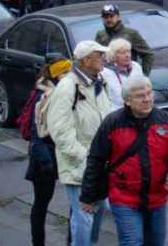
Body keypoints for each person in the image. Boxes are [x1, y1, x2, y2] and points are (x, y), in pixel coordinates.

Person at [80, 75, 168, 246]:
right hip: (124, 198)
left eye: (149, 94)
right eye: (141, 96)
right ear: (127, 101)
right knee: (132, 242)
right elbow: (96, 160)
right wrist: (89, 196)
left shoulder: (166, 121)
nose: (147, 99)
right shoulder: (112, 123)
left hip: (157, 198)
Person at [46, 40, 114, 246]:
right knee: (84, 215)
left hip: (101, 163)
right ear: (86, 60)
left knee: (99, 211)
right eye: (99, 55)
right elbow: (59, 131)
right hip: (79, 164)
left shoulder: (100, 82)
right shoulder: (67, 87)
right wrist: (85, 157)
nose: (104, 59)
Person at [26, 56, 72, 246]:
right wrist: (46, 162)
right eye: (66, 74)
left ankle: (74, 241)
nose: (70, 77)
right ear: (57, 75)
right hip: (45, 156)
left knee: (76, 204)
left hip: (66, 153)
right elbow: (36, 134)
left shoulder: (69, 91)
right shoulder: (42, 96)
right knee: (41, 203)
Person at [94, 3, 154, 75]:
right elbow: (96, 57)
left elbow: (148, 55)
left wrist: (144, 75)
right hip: (108, 77)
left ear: (118, 17)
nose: (109, 19)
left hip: (127, 76)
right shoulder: (100, 35)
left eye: (111, 16)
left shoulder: (131, 33)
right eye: (106, 17)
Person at [101, 38, 146, 109]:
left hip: (139, 109)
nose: (127, 55)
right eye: (122, 53)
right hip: (118, 113)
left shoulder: (136, 66)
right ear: (113, 55)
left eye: (128, 51)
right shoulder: (104, 73)